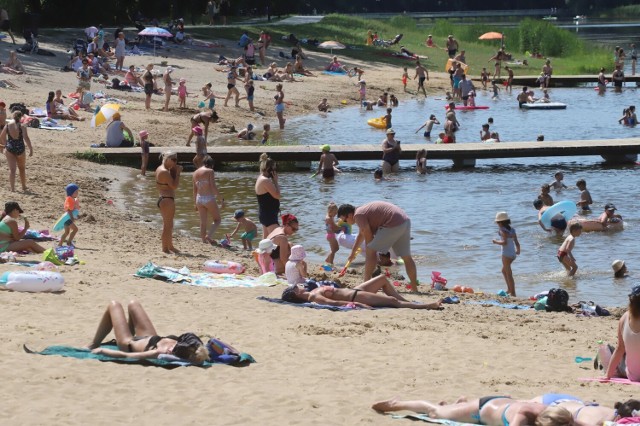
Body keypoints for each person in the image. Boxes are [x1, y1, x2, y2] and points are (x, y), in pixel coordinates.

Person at [87, 300, 209, 364]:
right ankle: (127, 330)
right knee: (133, 304)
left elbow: (127, 356)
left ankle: (94, 343)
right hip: (149, 337)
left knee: (114, 305)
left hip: (128, 344)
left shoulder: (160, 352)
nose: (170, 350)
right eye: (173, 348)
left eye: (172, 352)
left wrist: (102, 351)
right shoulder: (190, 346)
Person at [338, 202, 420, 292]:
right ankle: (414, 289)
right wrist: (353, 253)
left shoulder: (358, 215)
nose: (346, 223)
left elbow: (368, 235)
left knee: (371, 252)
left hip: (392, 223)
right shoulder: (362, 211)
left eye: (345, 220)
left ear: (349, 215)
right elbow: (361, 233)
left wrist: (370, 250)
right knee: (406, 257)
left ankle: (366, 284)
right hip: (405, 221)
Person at [372, 396, 570, 426]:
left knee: (448, 410)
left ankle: (459, 403)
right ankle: (396, 404)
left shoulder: (554, 412)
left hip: (501, 400)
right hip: (481, 409)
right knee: (434, 412)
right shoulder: (523, 417)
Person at [283, 274, 441, 309]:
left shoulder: (312, 292)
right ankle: (428, 305)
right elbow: (336, 302)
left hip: (355, 290)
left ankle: (405, 301)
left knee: (382, 279)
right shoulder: (314, 297)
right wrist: (358, 304)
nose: (298, 286)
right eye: (295, 287)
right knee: (393, 302)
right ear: (295, 293)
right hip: (356, 295)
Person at [604, 285, 640, 381]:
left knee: (608, 348)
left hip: (633, 376)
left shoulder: (624, 318)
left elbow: (619, 349)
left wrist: (608, 375)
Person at [192, 155, 224, 245]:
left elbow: (194, 190)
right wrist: (221, 199)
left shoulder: (195, 173)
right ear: (211, 164)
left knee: (203, 221)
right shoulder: (210, 171)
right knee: (217, 220)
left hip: (199, 198)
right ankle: (209, 236)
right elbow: (213, 187)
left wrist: (195, 203)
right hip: (209, 198)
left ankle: (203, 240)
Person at [0, 110, 34, 192]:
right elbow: (26, 138)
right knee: (22, 168)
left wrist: (5, 145)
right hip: (20, 148)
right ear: (21, 117)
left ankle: (12, 189)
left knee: (12, 170)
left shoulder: (8, 125)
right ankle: (23, 186)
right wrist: (31, 149)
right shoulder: (22, 126)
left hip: (10, 148)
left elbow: (2, 136)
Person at [155, 151, 182, 254]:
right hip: (166, 199)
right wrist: (178, 173)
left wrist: (174, 170)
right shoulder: (164, 172)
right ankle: (165, 248)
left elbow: (168, 183)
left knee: (169, 224)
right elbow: (174, 186)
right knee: (167, 225)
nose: (175, 162)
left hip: (164, 198)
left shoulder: (161, 169)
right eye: (174, 160)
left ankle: (170, 246)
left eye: (176, 160)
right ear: (167, 159)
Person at [492, 211, 520, 296]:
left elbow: (504, 242)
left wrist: (495, 241)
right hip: (513, 254)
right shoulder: (512, 230)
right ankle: (509, 289)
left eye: (497, 222)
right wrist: (518, 250)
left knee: (509, 274)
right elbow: (516, 242)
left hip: (506, 254)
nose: (497, 224)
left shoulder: (502, 230)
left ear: (500, 222)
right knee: (504, 271)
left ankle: (513, 293)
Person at [255, 153, 281, 238]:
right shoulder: (265, 180)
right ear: (269, 169)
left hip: (266, 213)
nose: (275, 171)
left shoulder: (261, 177)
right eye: (273, 168)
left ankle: (260, 251)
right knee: (279, 237)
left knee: (266, 239)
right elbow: (277, 195)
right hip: (268, 214)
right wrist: (276, 181)